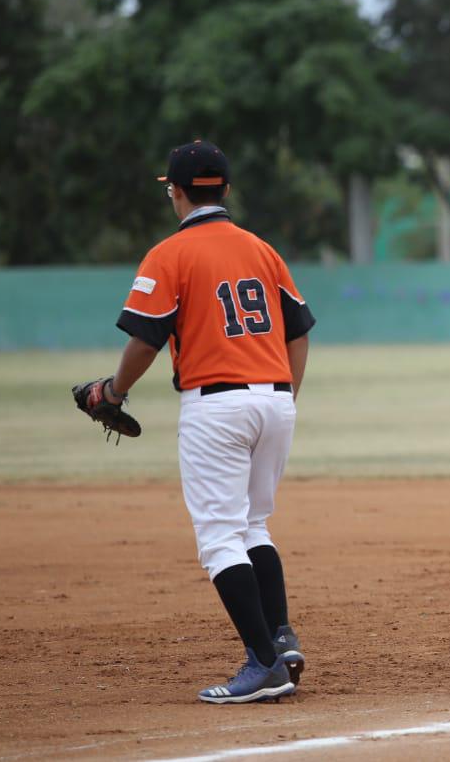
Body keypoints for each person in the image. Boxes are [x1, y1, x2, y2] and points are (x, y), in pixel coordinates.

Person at [87, 140, 315, 702]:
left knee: (219, 537)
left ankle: (264, 664)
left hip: (216, 406)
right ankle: (280, 640)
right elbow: (298, 330)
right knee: (253, 524)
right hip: (276, 398)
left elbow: (146, 338)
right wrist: (283, 396)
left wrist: (113, 391)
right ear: (227, 190)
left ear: (176, 191)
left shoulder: (170, 254)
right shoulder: (263, 250)